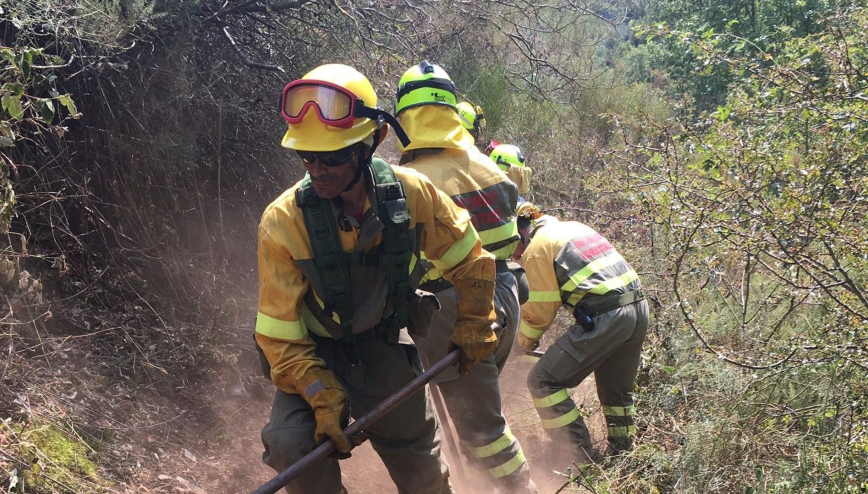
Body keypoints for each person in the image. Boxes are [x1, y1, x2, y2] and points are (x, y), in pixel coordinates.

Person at [255, 63, 500, 494]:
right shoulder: (282, 222)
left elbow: (470, 259)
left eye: (332, 156)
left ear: (373, 140)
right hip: (313, 355)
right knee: (291, 445)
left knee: (419, 463)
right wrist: (319, 390)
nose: (317, 168)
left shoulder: (411, 194)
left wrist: (475, 321)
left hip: (381, 347)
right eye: (306, 156)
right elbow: (278, 335)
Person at [395, 60, 537, 494]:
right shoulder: (491, 167)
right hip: (507, 294)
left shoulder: (412, 181)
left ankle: (520, 489)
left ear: (404, 116)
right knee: (479, 411)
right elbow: (513, 238)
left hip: (453, 311)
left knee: (481, 429)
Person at [513, 202, 649, 465]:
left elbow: (539, 311)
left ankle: (578, 457)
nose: (514, 255)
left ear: (521, 231)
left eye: (512, 245)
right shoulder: (573, 228)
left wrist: (519, 344)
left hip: (607, 316)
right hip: (638, 309)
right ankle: (624, 457)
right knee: (616, 393)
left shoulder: (537, 248)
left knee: (542, 382)